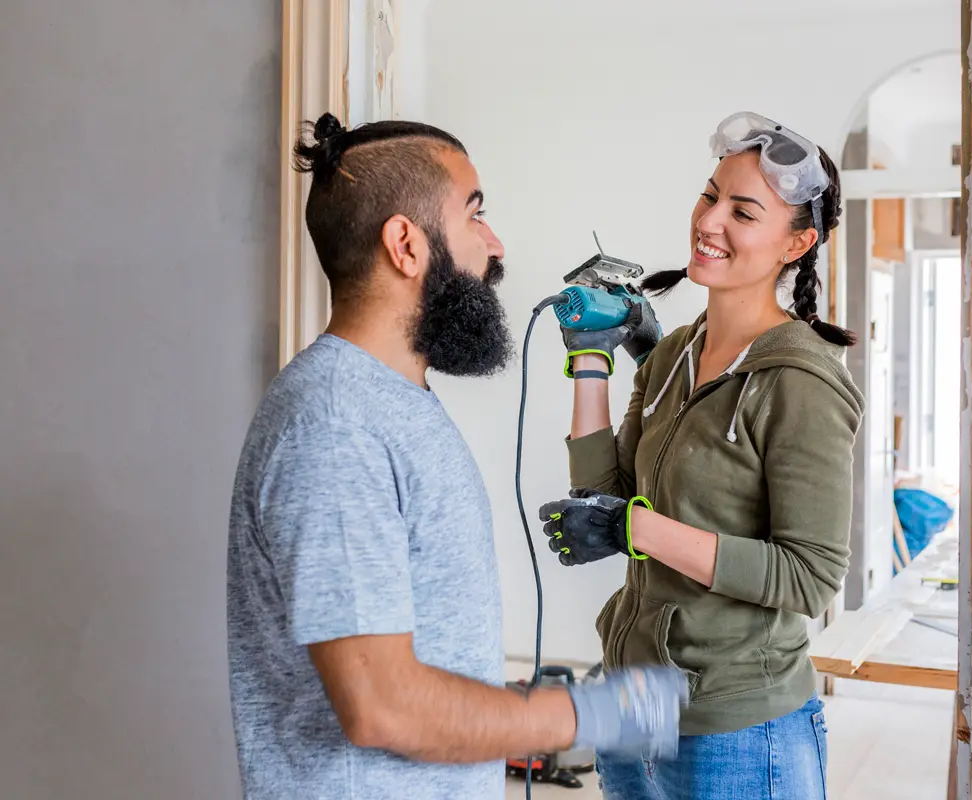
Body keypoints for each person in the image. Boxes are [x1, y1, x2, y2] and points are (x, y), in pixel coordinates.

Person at [225, 113, 687, 800]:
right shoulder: (334, 426)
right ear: (405, 245)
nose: (495, 245)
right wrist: (584, 713)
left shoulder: (393, 404)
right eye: (476, 215)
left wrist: (502, 703)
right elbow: (380, 704)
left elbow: (410, 663)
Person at [538, 111, 865, 799]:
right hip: (635, 703)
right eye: (710, 194)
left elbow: (810, 577)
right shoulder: (675, 352)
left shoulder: (800, 384)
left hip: (739, 727)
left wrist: (638, 529)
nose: (710, 221)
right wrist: (592, 361)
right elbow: (604, 489)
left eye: (743, 212)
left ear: (796, 244)